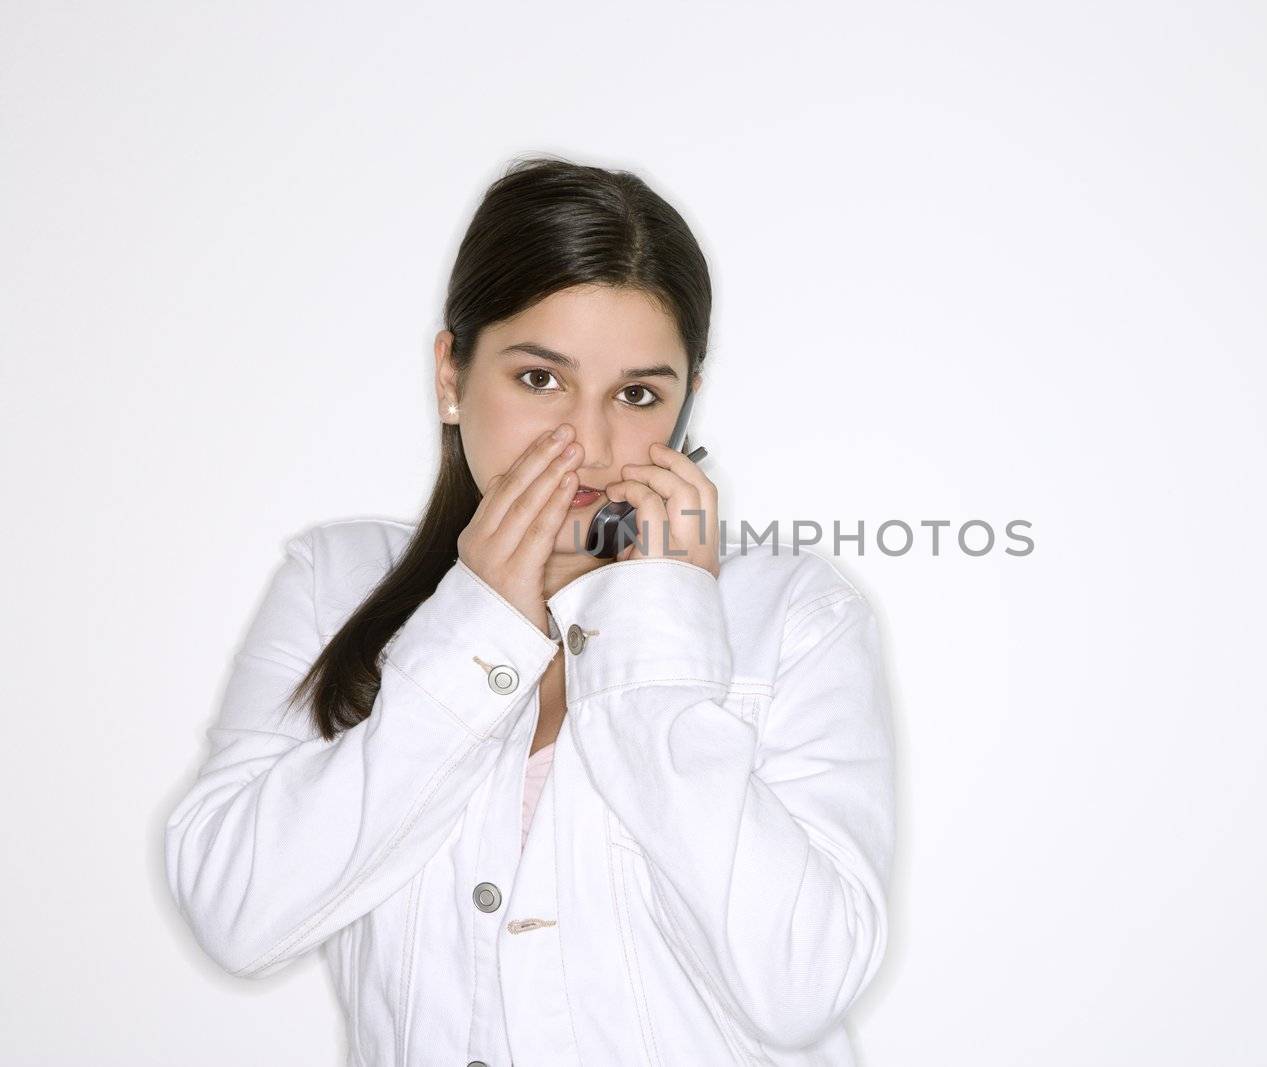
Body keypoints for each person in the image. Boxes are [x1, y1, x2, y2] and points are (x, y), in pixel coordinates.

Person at [162, 156, 897, 1065]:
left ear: (683, 403)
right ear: (450, 372)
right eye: (540, 379)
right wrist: (474, 624)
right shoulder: (335, 583)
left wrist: (658, 633)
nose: (588, 446)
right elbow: (239, 914)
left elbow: (800, 987)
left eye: (637, 394)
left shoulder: (791, 616)